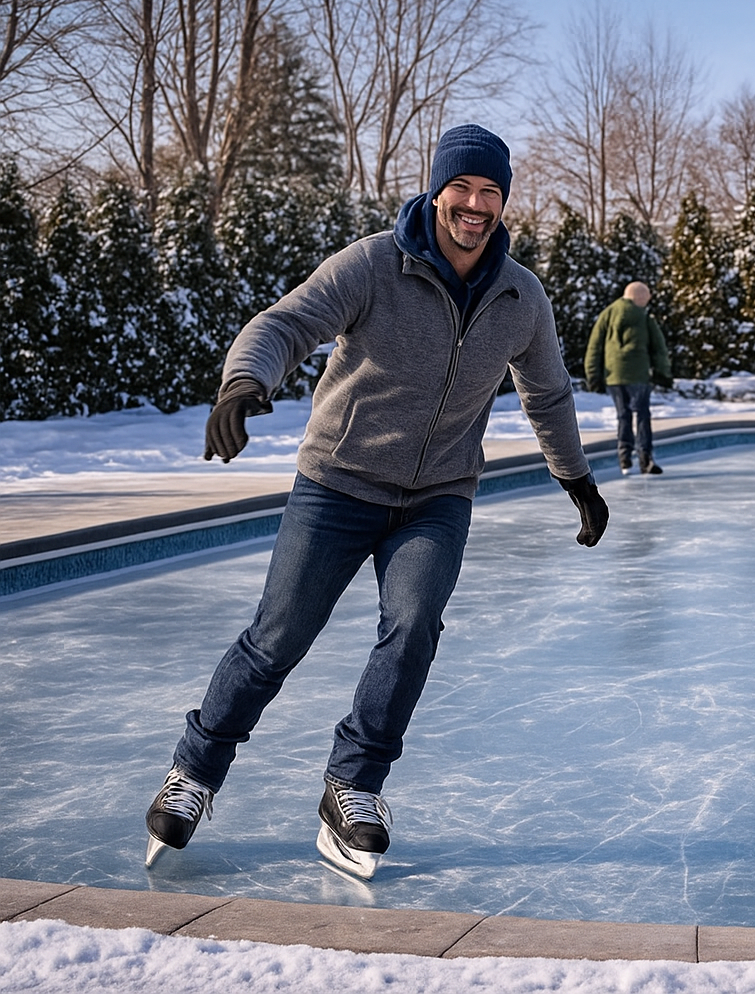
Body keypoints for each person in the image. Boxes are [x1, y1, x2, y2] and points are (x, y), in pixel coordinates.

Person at [144, 124, 610, 880]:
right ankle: (193, 772)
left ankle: (353, 785)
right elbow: (286, 324)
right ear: (436, 190)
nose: (475, 205)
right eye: (461, 188)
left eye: (490, 192)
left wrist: (576, 478)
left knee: (415, 624)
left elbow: (547, 392)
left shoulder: (520, 295)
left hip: (438, 496)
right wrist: (243, 382)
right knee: (279, 636)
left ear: (503, 203)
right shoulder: (372, 264)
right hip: (337, 483)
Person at [584, 281, 672, 475]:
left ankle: (624, 459)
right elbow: (659, 348)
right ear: (639, 297)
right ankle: (645, 458)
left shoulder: (607, 314)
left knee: (623, 415)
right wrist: (663, 373)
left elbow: (594, 346)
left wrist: (593, 374)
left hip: (613, 375)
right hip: (638, 374)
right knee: (642, 415)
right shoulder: (645, 317)